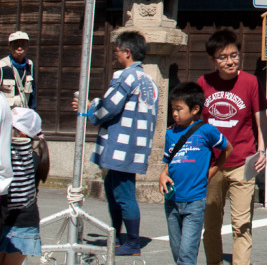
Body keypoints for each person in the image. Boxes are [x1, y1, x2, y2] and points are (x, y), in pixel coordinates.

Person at [73, 30, 158, 256]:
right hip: (136, 144)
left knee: (123, 193)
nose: (116, 55)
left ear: (127, 52)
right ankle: (118, 236)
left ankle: (131, 242)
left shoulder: (125, 77)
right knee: (113, 187)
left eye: (117, 51)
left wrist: (89, 109)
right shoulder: (149, 80)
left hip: (123, 144)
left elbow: (110, 107)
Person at [198, 30, 267, 265]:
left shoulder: (250, 82)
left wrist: (262, 151)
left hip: (243, 161)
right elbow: (196, 125)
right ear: (212, 60)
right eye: (223, 57)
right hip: (211, 165)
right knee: (211, 225)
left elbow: (261, 121)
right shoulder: (203, 83)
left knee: (242, 224)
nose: (230, 61)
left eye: (234, 55)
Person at [159, 83, 232, 265]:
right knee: (177, 252)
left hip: (194, 202)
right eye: (172, 109)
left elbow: (227, 149)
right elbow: (169, 162)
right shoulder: (170, 134)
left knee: (186, 254)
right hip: (172, 202)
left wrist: (212, 171)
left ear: (195, 109)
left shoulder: (206, 131)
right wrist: (162, 175)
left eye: (178, 109)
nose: (174, 114)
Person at [0, 108, 46, 264]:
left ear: (21, 133)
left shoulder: (11, 156)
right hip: (26, 224)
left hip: (11, 221)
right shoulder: (35, 157)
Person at [0, 33, 35, 110]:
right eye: (15, 45)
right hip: (8, 116)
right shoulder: (2, 66)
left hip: (24, 115)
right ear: (9, 46)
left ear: (28, 46)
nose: (19, 48)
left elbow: (33, 94)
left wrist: (33, 112)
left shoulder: (29, 65)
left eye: (23, 44)